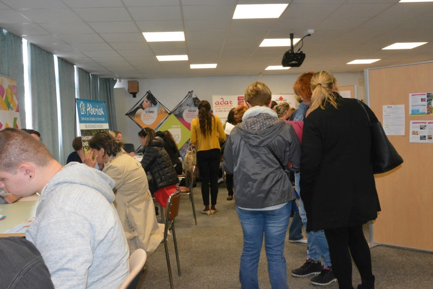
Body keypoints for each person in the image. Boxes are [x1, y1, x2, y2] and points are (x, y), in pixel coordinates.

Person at [0, 128, 129, 289]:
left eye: (2, 178)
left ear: (27, 171)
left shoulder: (62, 211)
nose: (1, 186)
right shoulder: (74, 181)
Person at [300, 71, 380, 289]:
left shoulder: (314, 117)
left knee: (337, 244)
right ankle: (368, 282)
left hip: (330, 193)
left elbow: (309, 162)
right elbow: (375, 145)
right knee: (357, 236)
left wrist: (306, 195)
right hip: (360, 187)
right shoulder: (359, 107)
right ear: (335, 85)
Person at [223, 81, 301, 289]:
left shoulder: (236, 133)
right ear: (269, 101)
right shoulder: (285, 128)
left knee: (250, 251)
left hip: (248, 200)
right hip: (278, 199)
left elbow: (229, 168)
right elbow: (297, 164)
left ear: (247, 104)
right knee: (275, 253)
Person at [290, 72, 336, 286]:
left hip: (317, 173)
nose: (301, 99)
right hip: (302, 171)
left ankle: (329, 264)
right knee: (307, 218)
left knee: (317, 220)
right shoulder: (302, 110)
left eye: (302, 94)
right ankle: (314, 259)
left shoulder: (322, 111)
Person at [85, 132, 164, 255]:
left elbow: (95, 194)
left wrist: (88, 168)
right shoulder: (124, 159)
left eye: (92, 151)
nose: (91, 154)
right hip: (141, 218)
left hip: (131, 225)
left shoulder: (116, 167)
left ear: (101, 151)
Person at [190, 100, 226, 215]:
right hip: (215, 151)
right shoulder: (216, 119)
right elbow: (223, 136)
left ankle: (206, 207)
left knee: (204, 181)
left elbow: (193, 141)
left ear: (198, 109)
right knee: (214, 180)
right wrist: (215, 139)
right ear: (210, 109)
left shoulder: (195, 121)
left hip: (202, 153)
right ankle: (214, 206)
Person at [139, 128, 179, 195]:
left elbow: (142, 167)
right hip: (168, 181)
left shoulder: (151, 148)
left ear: (146, 137)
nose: (140, 140)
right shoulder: (157, 145)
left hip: (162, 185)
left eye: (141, 137)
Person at [223, 108, 237, 201]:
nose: (237, 116)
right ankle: (230, 193)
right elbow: (222, 137)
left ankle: (238, 192)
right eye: (235, 114)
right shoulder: (226, 125)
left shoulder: (243, 124)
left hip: (238, 150)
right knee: (229, 172)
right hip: (229, 149)